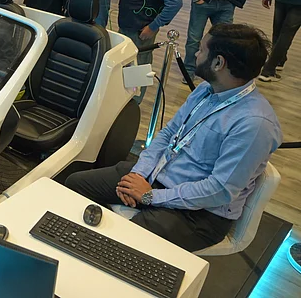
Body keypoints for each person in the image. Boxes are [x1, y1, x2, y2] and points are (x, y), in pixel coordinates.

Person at [65, 23, 282, 252]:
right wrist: (139, 174)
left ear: (218, 63)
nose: (196, 54)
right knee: (75, 184)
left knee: (120, 242)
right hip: (159, 177)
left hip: (200, 214)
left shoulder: (254, 125)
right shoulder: (206, 90)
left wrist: (149, 196)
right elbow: (169, 133)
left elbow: (219, 190)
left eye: (201, 50)